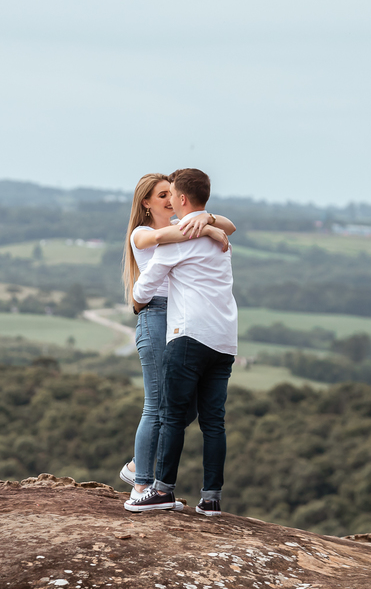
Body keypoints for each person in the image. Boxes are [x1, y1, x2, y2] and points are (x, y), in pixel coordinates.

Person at [124, 168, 237, 517]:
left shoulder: (185, 236)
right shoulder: (146, 233)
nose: (168, 199)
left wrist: (206, 223)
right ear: (146, 203)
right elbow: (166, 240)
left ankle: (149, 477)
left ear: (181, 198)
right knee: (162, 406)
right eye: (161, 195)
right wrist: (207, 226)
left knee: (177, 410)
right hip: (162, 316)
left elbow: (224, 226)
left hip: (183, 321)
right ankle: (145, 481)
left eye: (170, 193)